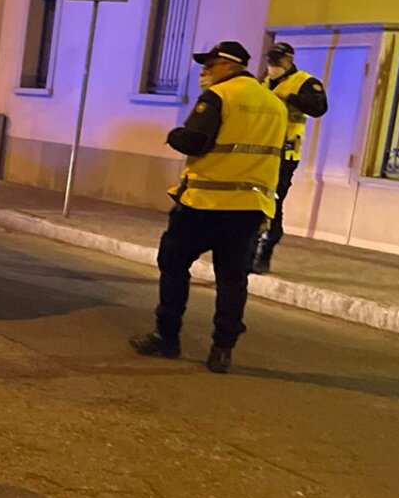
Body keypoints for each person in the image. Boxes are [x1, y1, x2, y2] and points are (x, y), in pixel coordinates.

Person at [131, 40, 288, 374]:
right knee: (233, 280)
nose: (204, 71)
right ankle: (222, 350)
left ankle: (167, 337)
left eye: (210, 64)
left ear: (230, 65)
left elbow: (196, 141)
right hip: (249, 207)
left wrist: (175, 135)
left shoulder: (218, 97)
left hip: (204, 203)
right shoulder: (275, 104)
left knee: (173, 265)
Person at [255, 41, 330, 273]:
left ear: (289, 60)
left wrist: (291, 99)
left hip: (284, 155)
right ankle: (248, 252)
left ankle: (265, 251)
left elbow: (319, 107)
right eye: (270, 61)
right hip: (258, 154)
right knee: (254, 203)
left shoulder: (305, 82)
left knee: (273, 204)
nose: (273, 66)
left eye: (278, 61)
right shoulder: (264, 82)